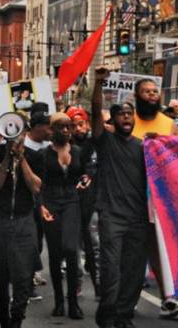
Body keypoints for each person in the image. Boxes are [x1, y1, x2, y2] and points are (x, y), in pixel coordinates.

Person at [91, 67, 150, 328]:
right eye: (121, 115)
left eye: (130, 114)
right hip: (112, 218)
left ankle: (124, 315)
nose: (127, 118)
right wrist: (98, 84)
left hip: (138, 219)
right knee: (111, 270)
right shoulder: (106, 141)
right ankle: (107, 316)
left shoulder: (143, 146)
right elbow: (94, 113)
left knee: (134, 274)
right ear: (112, 120)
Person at [130, 78, 178, 318]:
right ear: (137, 96)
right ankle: (128, 298)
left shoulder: (168, 124)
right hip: (131, 193)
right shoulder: (127, 120)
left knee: (160, 248)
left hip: (159, 195)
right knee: (133, 249)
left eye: (155, 91)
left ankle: (168, 298)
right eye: (146, 91)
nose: (152, 95)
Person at [0, 132, 43, 327]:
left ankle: (17, 319)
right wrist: (7, 159)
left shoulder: (35, 157)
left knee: (24, 277)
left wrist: (22, 158)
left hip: (24, 221)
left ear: (25, 133)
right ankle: (3, 319)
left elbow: (35, 187)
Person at [39, 113, 86, 319]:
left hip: (72, 203)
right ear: (51, 130)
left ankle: (73, 302)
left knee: (70, 249)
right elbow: (37, 183)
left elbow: (86, 172)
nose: (65, 131)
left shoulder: (77, 151)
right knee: (56, 254)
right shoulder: (43, 154)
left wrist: (86, 178)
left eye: (68, 127)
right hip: (50, 204)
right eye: (60, 127)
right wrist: (40, 206)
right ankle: (59, 302)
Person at [69, 107, 101, 299]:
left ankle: (99, 284)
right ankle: (76, 283)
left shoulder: (96, 144)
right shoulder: (67, 146)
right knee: (73, 247)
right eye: (73, 126)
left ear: (87, 124)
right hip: (72, 202)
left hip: (93, 202)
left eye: (81, 124)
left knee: (95, 246)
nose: (77, 129)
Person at [24, 103, 52, 293]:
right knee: (29, 237)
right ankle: (27, 275)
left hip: (45, 198)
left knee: (39, 237)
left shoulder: (50, 146)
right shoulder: (22, 144)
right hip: (26, 198)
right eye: (48, 126)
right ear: (37, 127)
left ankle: (32, 271)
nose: (51, 131)